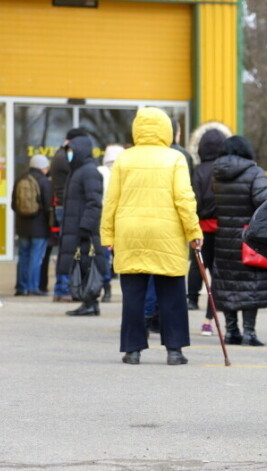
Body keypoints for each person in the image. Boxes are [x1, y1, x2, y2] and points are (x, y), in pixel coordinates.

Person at [101, 107, 202, 365]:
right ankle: (175, 350)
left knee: (133, 294)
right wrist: (193, 231)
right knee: (171, 293)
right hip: (166, 232)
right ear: (166, 129)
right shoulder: (175, 158)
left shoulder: (124, 159)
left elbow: (111, 200)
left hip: (130, 232)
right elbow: (184, 199)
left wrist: (107, 236)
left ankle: (132, 350)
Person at [211, 135, 267, 346]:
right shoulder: (254, 172)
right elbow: (264, 202)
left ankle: (232, 331)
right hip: (248, 238)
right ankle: (249, 332)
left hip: (223, 238)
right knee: (251, 284)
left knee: (227, 283)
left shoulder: (216, 174)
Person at [57, 136, 106, 316]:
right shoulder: (77, 171)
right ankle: (88, 301)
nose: (69, 154)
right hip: (76, 229)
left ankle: (91, 302)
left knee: (88, 265)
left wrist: (86, 226)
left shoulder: (89, 172)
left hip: (85, 231)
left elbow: (94, 202)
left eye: (72, 150)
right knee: (80, 265)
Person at [187, 125, 229, 328]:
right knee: (217, 272)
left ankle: (192, 298)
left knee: (198, 266)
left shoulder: (198, 171)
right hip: (222, 227)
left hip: (201, 227)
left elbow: (193, 198)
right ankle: (209, 317)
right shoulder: (225, 168)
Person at [51, 127, 87, 302]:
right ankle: (63, 287)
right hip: (67, 207)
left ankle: (64, 287)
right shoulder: (65, 157)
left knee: (67, 249)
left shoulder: (59, 155)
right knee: (69, 249)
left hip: (64, 205)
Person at [11, 154, 52, 296]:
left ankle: (21, 288)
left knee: (23, 256)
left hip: (22, 226)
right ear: (42, 167)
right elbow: (48, 206)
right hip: (39, 227)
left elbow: (13, 205)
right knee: (36, 257)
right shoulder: (44, 181)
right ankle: (33, 287)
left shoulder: (20, 179)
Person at [97, 144, 123, 303]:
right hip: (121, 220)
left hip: (103, 219)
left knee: (103, 254)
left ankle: (106, 286)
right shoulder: (125, 173)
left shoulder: (99, 172)